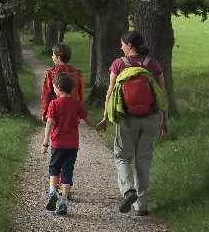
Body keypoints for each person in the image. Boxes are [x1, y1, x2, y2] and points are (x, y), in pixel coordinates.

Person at [96, 30, 168, 216]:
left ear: (130, 45)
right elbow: (162, 94)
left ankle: (129, 191)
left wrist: (105, 117)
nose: (121, 47)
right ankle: (142, 206)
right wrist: (164, 120)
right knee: (143, 161)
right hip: (150, 118)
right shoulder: (153, 64)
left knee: (122, 156)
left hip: (127, 119)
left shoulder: (119, 64)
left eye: (122, 44)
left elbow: (110, 92)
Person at [42, 73, 95, 216]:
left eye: (54, 87)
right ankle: (64, 202)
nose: (53, 90)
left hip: (58, 144)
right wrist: (97, 126)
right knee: (67, 171)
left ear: (58, 87)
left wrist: (45, 142)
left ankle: (52, 192)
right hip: (72, 145)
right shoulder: (76, 104)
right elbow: (87, 118)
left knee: (54, 169)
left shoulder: (54, 103)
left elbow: (50, 123)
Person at [40, 42, 85, 120]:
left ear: (59, 57)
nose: (52, 57)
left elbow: (46, 95)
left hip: (56, 112)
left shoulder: (51, 73)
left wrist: (45, 113)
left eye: (53, 55)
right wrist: (79, 111)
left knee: (56, 131)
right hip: (72, 112)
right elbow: (80, 93)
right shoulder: (76, 73)